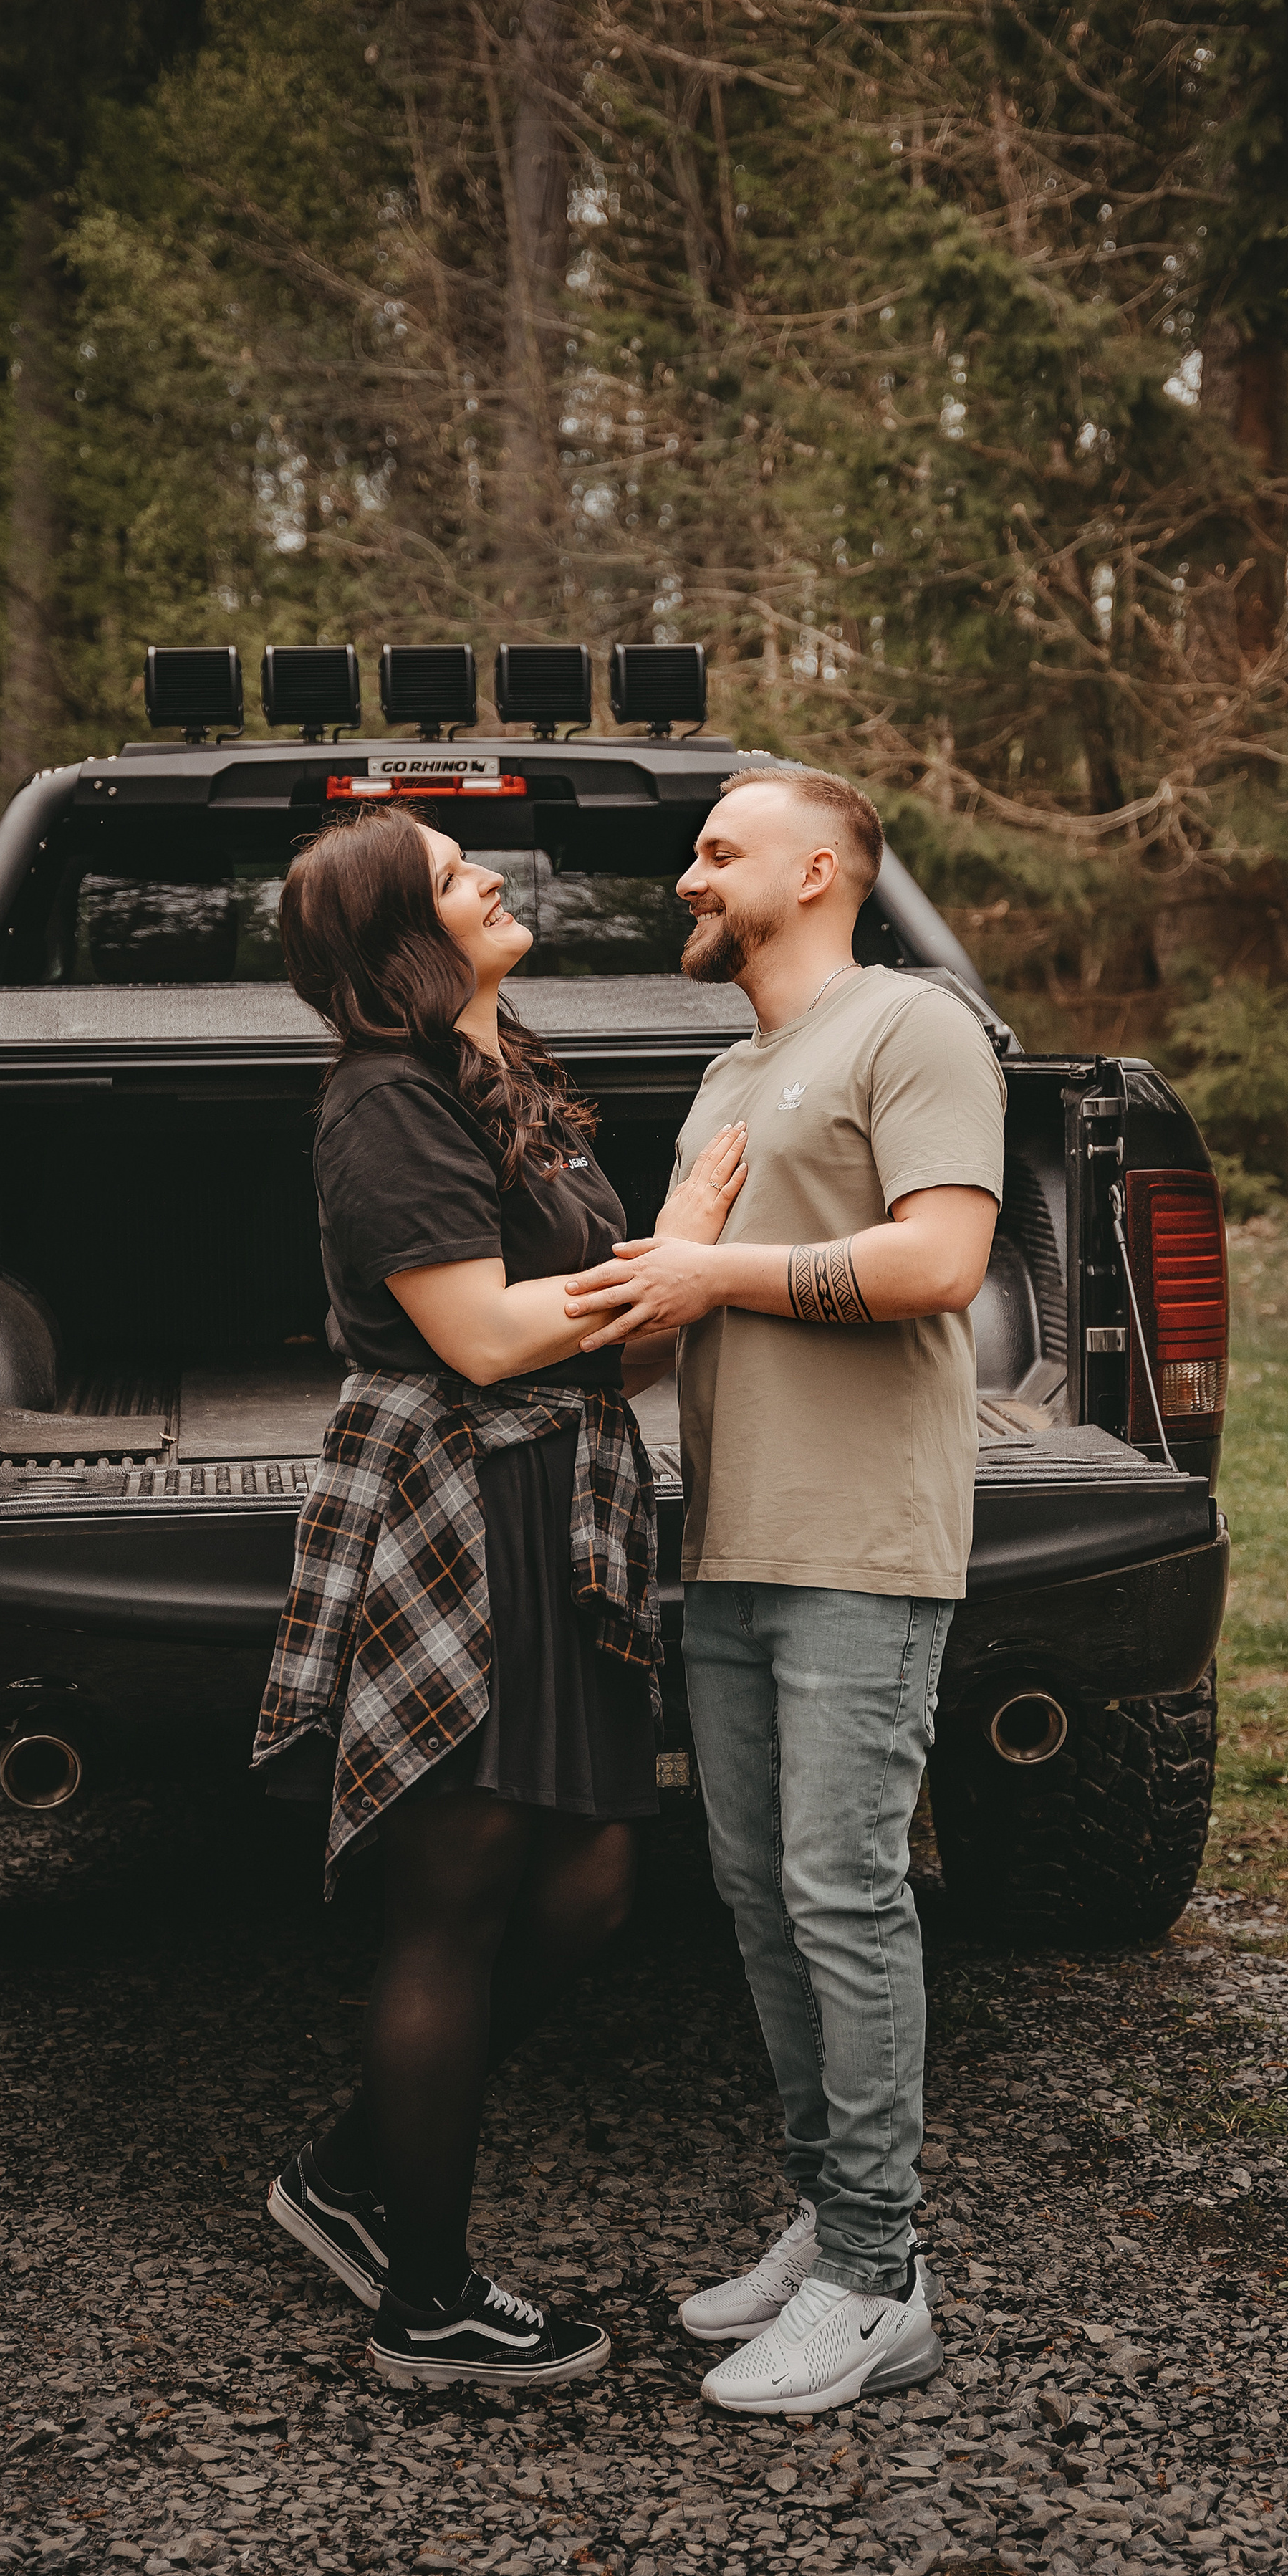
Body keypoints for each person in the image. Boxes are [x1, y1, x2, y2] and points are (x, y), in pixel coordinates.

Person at [251, 803, 749, 2391]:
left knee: (594, 1880)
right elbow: (476, 1333)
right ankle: (430, 2299)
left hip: (564, 1491)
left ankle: (345, 2175)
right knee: (456, 1892)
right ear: (409, 934)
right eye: (462, 880)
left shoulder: (494, 1073)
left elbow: (607, 1329)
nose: (497, 888)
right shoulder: (383, 1103)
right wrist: (674, 1249)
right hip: (466, 1506)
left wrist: (679, 1283)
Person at [562, 765, 1005, 2415]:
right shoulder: (732, 1069)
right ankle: (826, 2220)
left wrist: (710, 1266)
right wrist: (648, 1288)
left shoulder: (912, 1028)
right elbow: (693, 1313)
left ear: (817, 872)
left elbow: (936, 1261)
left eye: (717, 849)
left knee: (842, 1892)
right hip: (729, 1539)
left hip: (861, 1542)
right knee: (760, 1900)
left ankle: (881, 2279)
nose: (689, 875)